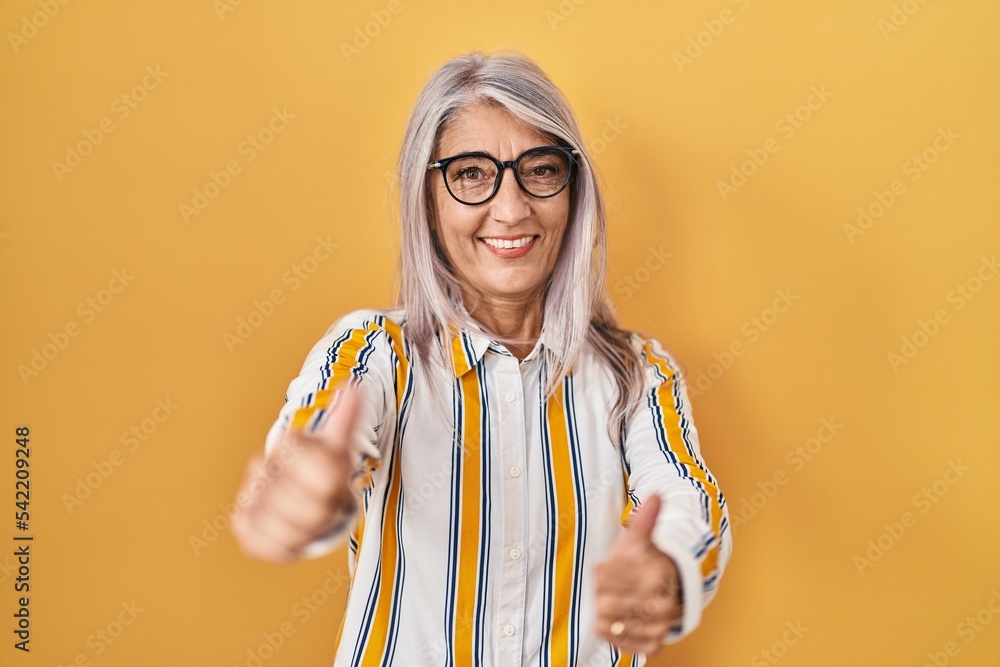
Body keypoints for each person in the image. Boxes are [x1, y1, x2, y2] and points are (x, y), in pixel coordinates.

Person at [231, 50, 732, 666]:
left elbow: (687, 500)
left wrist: (664, 567)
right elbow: (317, 439)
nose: (513, 208)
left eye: (540, 169)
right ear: (428, 198)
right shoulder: (375, 353)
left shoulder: (638, 375)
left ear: (573, 191)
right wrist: (299, 490)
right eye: (472, 173)